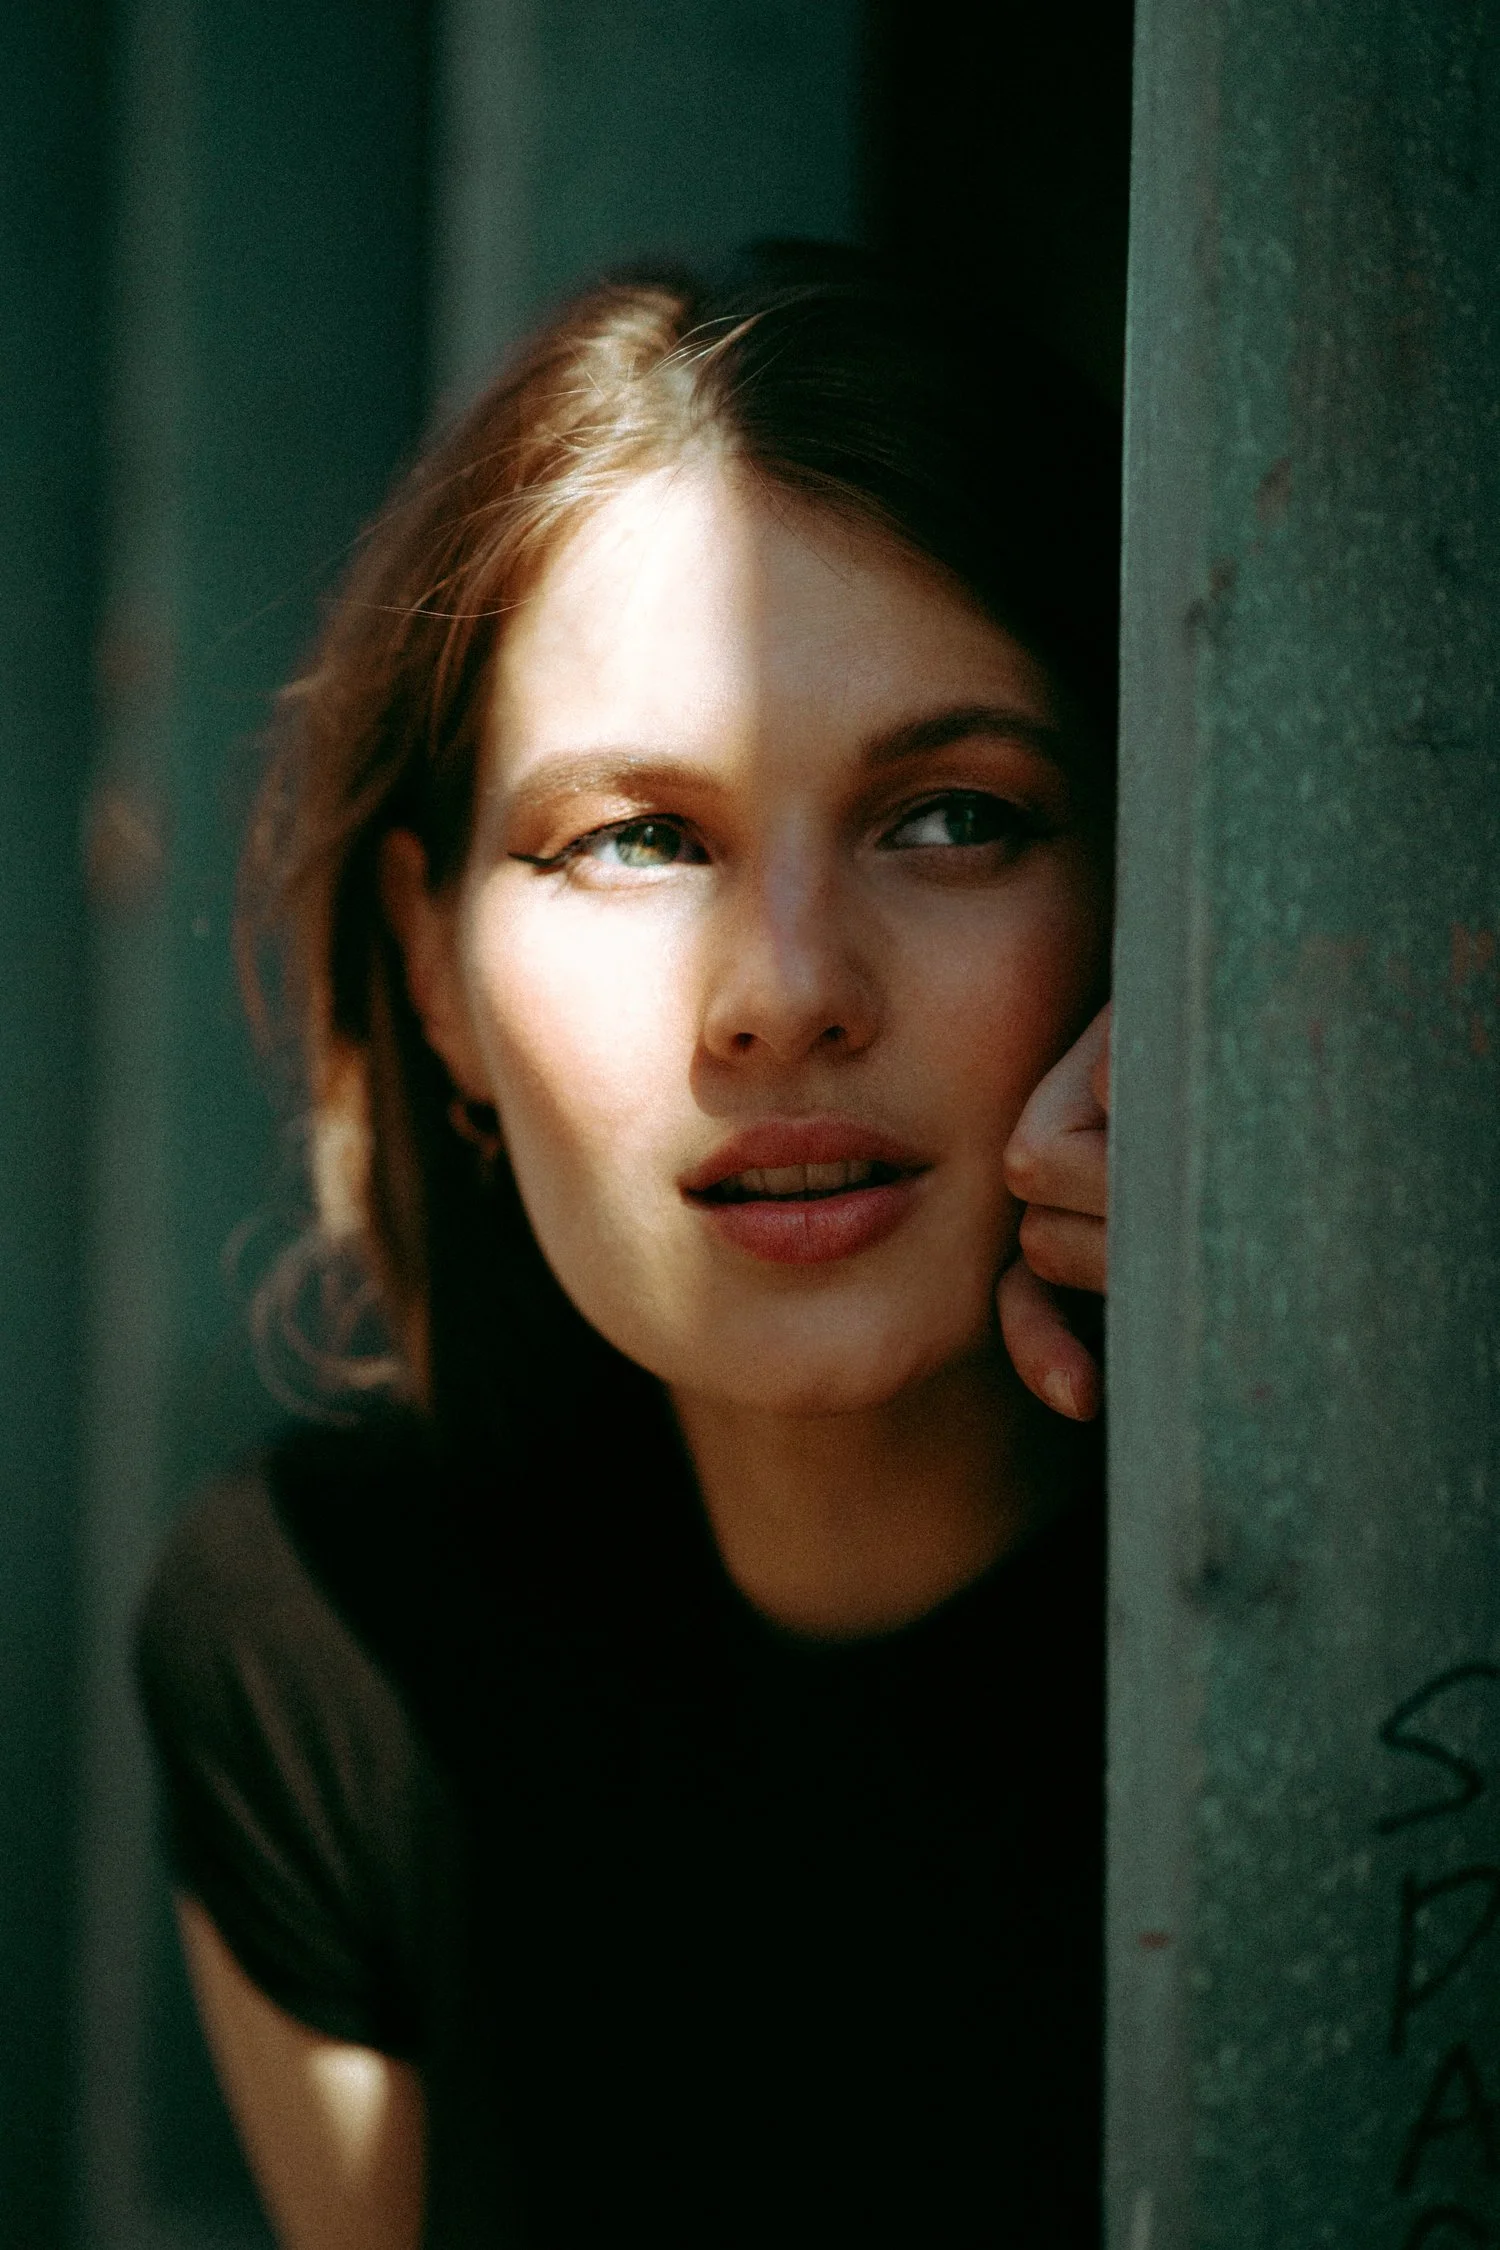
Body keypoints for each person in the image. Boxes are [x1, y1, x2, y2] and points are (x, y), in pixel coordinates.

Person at [137, 258, 1116, 2250]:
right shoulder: (323, 1647)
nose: (782, 993)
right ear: (427, 966)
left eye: (950, 818)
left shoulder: (1426, 1615)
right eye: (637, 840)